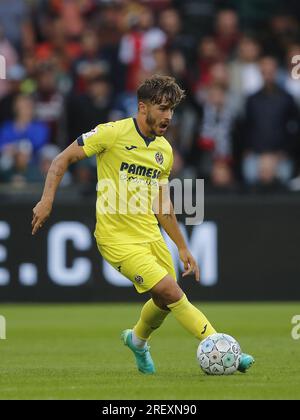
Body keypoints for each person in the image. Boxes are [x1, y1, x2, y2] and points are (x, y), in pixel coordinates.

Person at [31, 75, 254, 374]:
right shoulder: (111, 133)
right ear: (142, 107)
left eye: (171, 110)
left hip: (150, 235)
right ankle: (224, 349)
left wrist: (183, 246)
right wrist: (46, 201)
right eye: (162, 108)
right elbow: (61, 160)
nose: (168, 116)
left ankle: (136, 341)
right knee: (172, 292)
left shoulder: (164, 152)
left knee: (162, 301)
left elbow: (162, 206)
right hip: (116, 238)